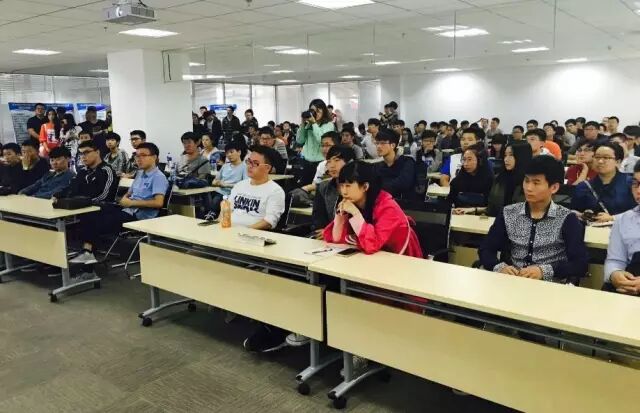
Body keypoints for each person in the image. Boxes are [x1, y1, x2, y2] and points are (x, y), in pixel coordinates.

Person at [479, 156, 589, 282]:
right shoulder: (508, 212)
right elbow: (486, 249)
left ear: (554, 187)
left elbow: (580, 264)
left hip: (549, 285)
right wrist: (499, 267)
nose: (528, 188)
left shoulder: (567, 218)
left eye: (536, 183)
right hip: (512, 280)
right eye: (526, 181)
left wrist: (544, 271)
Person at [70, 142, 168, 265]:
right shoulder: (140, 174)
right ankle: (87, 251)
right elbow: (129, 193)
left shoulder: (158, 177)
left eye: (143, 155)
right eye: (137, 156)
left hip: (139, 216)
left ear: (154, 157)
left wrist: (131, 203)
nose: (139, 159)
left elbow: (158, 203)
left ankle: (88, 252)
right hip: (126, 209)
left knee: (96, 219)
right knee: (93, 211)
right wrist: (125, 199)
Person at [323, 160, 422, 257]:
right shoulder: (353, 202)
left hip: (401, 257)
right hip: (374, 256)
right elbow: (337, 240)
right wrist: (341, 216)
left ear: (365, 186)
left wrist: (355, 213)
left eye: (348, 186)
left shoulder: (388, 207)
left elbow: (372, 245)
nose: (344, 192)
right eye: (341, 186)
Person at [457, 143, 532, 217]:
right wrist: (473, 210)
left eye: (511, 155)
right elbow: (491, 209)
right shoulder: (500, 179)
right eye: (505, 155)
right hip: (498, 221)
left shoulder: (530, 182)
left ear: (522, 157)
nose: (506, 159)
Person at [571, 142, 636, 222]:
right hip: (592, 228)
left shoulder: (632, 183)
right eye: (597, 157)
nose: (600, 161)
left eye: (606, 157)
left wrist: (613, 218)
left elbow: (637, 212)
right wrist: (581, 215)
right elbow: (573, 211)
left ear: (618, 161)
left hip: (624, 228)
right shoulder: (584, 186)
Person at [603, 160, 640, 294]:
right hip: (628, 291)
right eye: (635, 183)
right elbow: (615, 260)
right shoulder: (623, 220)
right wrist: (615, 274)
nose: (638, 191)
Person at [230, 145, 285, 230]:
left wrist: (244, 231)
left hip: (251, 234)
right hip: (229, 230)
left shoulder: (275, 191)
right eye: (249, 161)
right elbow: (226, 210)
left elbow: (269, 222)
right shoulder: (239, 185)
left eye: (255, 163)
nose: (249, 166)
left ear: (267, 168)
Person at [312, 145, 356, 235]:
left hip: (352, 237)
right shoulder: (323, 187)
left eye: (337, 160)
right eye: (328, 161)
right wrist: (326, 232)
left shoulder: (359, 188)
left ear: (350, 162)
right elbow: (319, 220)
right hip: (326, 237)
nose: (332, 166)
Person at [295, 99, 336, 186]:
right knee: (304, 188)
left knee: (318, 188)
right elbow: (300, 140)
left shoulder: (328, 125)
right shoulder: (308, 124)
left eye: (318, 111)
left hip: (320, 163)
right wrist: (303, 123)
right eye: (313, 111)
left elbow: (321, 140)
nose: (315, 114)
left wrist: (314, 123)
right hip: (306, 162)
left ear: (323, 112)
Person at [449, 144, 494, 210]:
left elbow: (492, 207)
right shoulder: (458, 180)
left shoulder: (490, 181)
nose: (465, 164)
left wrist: (472, 210)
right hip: (460, 215)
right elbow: (450, 201)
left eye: (469, 159)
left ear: (480, 161)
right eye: (464, 159)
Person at [374, 129, 416, 199]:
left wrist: (379, 187)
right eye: (377, 143)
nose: (378, 146)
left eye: (382, 143)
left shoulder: (407, 162)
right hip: (384, 201)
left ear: (393, 145)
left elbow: (403, 184)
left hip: (403, 202)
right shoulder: (379, 166)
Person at [209, 142, 247, 218]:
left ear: (239, 152)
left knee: (218, 199)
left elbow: (245, 185)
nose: (229, 155)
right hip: (220, 192)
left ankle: (212, 214)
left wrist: (226, 185)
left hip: (233, 194)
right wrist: (218, 183)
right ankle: (211, 214)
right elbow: (214, 181)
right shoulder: (225, 166)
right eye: (227, 153)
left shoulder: (244, 167)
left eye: (231, 152)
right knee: (209, 196)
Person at [414, 131, 443, 195]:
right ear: (421, 141)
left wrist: (428, 154)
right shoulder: (416, 151)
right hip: (419, 179)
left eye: (431, 141)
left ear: (435, 142)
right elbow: (416, 167)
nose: (428, 143)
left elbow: (434, 169)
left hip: (433, 180)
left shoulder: (437, 152)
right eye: (426, 141)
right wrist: (424, 154)